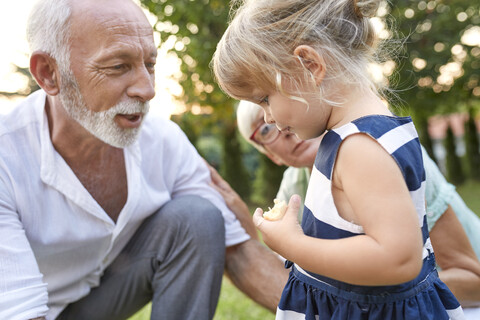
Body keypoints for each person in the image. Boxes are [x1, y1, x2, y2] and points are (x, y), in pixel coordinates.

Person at [0, 0, 288, 319]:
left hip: (93, 303)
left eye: (149, 64)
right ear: (49, 73)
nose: (147, 89)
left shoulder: (162, 140)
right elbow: (20, 311)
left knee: (197, 218)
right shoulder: (6, 156)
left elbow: (239, 253)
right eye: (118, 66)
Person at [212, 0, 465, 318]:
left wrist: (293, 245)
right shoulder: (353, 137)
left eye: (265, 98)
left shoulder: (360, 146)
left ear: (310, 65)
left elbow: (398, 259)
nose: (270, 117)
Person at [233, 100, 480, 317]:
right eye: (266, 128)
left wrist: (361, 293)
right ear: (270, 156)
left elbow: (473, 282)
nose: (281, 126)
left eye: (286, 102)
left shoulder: (385, 155)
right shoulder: (293, 189)